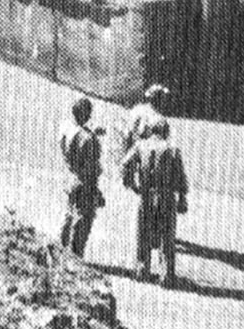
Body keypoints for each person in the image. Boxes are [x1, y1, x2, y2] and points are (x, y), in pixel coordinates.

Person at [121, 117, 188, 286]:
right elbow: (180, 176)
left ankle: (142, 269)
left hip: (146, 195)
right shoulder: (172, 149)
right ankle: (166, 275)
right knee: (167, 236)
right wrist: (182, 198)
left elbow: (125, 164)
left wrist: (131, 183)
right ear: (166, 131)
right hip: (166, 197)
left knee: (143, 233)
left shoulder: (140, 146)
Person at [59, 97, 105, 259]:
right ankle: (75, 256)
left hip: (70, 177)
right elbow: (92, 169)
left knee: (69, 216)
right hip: (84, 183)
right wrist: (96, 192)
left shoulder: (65, 128)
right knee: (83, 221)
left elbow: (77, 137)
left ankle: (62, 251)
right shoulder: (89, 140)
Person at [120, 82, 169, 160]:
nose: (163, 100)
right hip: (139, 148)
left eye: (163, 97)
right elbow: (129, 132)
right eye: (160, 96)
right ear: (153, 97)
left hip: (155, 150)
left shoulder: (161, 117)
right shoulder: (139, 110)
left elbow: (165, 137)